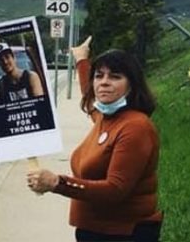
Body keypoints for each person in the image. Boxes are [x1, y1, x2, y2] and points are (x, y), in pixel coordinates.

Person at [26, 36, 163, 242]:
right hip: (98, 231)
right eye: (99, 76)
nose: (104, 82)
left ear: (132, 85)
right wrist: (81, 59)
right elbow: (89, 98)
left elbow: (116, 190)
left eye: (115, 77)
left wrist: (57, 183)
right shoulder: (106, 118)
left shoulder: (135, 127)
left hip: (123, 233)